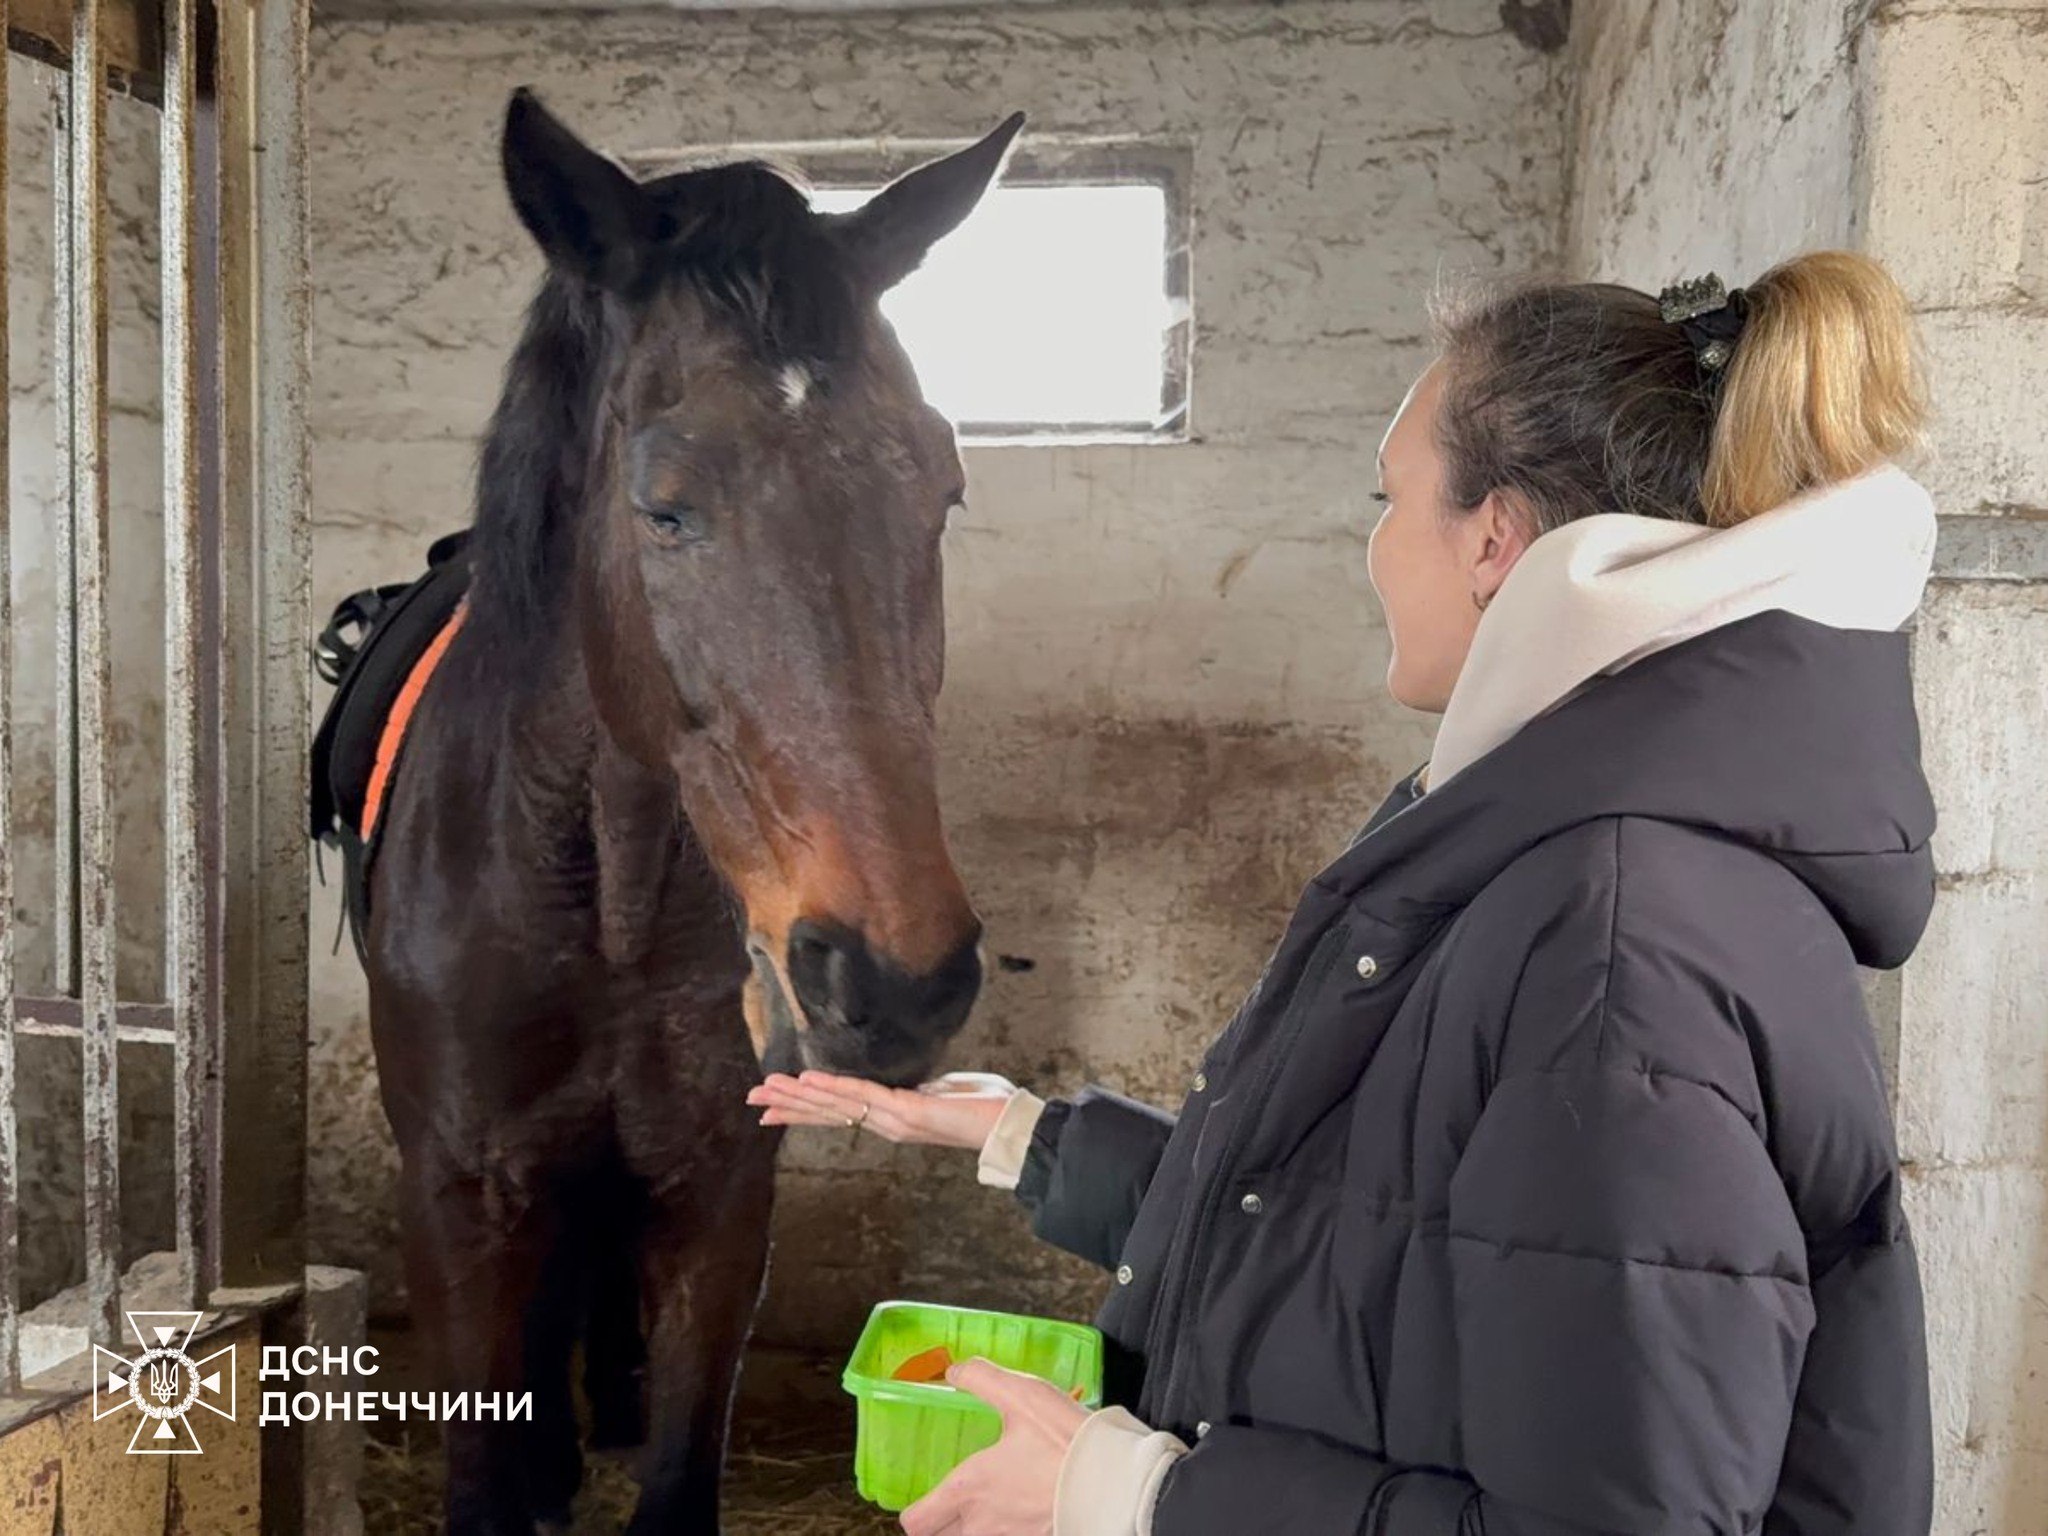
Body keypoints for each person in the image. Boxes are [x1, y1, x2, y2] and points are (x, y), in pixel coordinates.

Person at [749, 250, 1937, 1536]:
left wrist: (1136, 1494)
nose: (1372, 547)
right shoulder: (1544, 849)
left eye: (1386, 498)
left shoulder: (1613, 941)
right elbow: (1366, 1253)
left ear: (1493, 540)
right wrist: (1024, 1139)